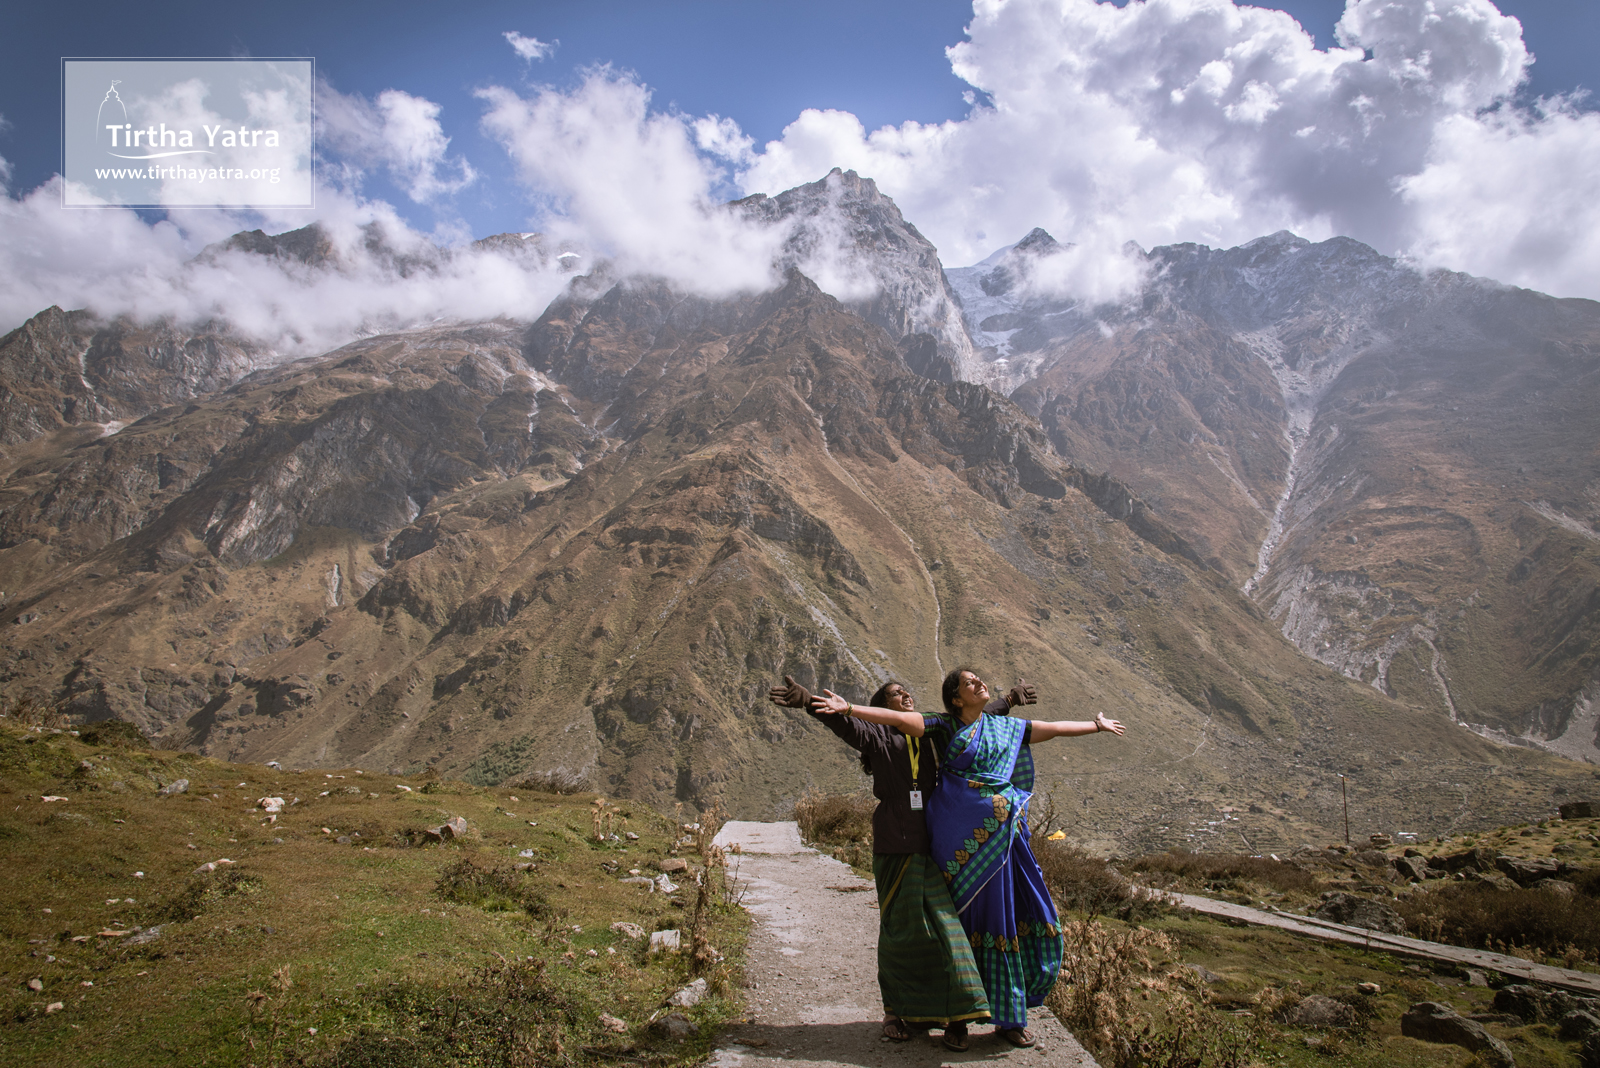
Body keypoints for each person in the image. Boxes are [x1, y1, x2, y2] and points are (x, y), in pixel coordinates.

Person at [769, 674, 1034, 1051]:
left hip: (932, 847)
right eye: (895, 694)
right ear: (882, 705)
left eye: (907, 690)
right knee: (899, 933)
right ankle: (894, 1011)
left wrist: (1009, 699)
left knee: (947, 932)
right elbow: (843, 720)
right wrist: (807, 700)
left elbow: (976, 718)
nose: (905, 695)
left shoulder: (929, 735)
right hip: (895, 847)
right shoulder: (876, 736)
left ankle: (954, 1016)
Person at [924, 667, 1125, 1048]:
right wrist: (848, 708)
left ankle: (1009, 1018)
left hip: (1006, 843)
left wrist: (1094, 726)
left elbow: (1050, 728)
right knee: (962, 925)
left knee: (1011, 920)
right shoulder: (946, 728)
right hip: (960, 848)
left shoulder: (1002, 727)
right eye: (970, 683)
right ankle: (958, 1020)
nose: (980, 683)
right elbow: (899, 719)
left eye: (979, 680)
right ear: (955, 698)